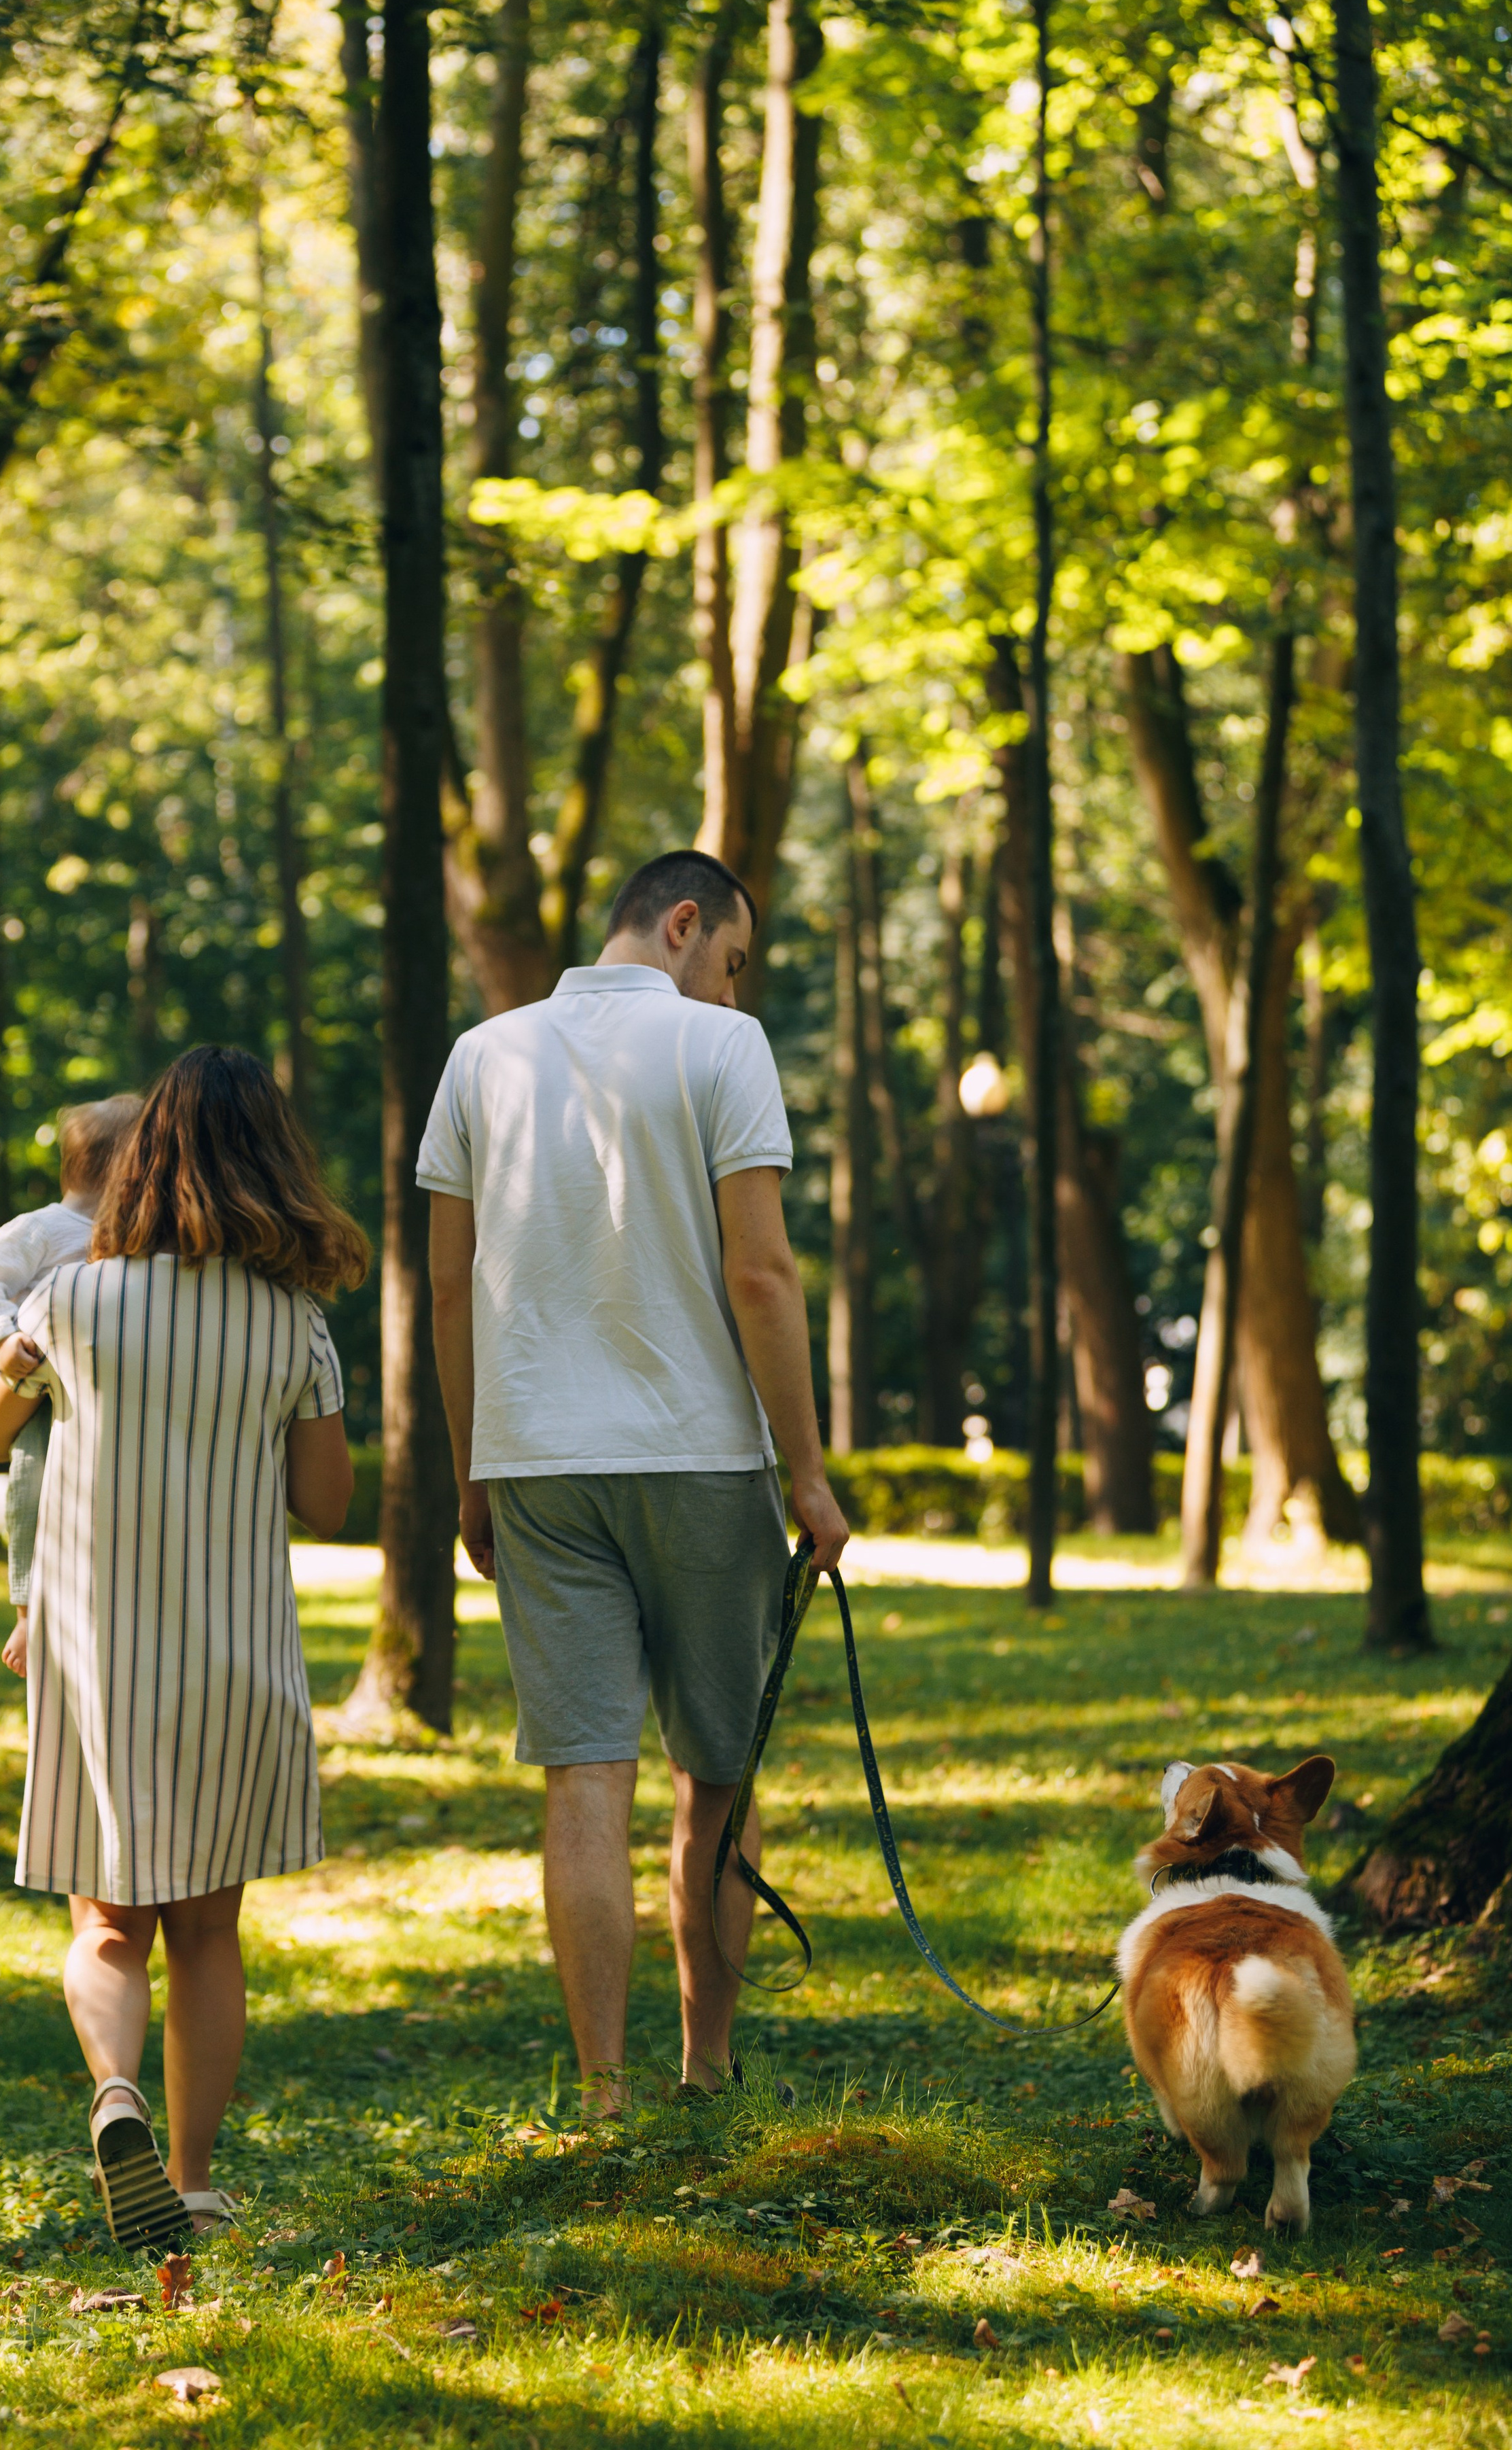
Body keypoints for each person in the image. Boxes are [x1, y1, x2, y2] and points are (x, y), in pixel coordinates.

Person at [418, 847, 849, 2112]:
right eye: (730, 961)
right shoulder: (725, 1051)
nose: (731, 988)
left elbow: (451, 1290)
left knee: (585, 1778)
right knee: (716, 1776)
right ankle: (705, 2068)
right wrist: (810, 1476)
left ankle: (604, 2092)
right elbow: (761, 1276)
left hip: (540, 1462)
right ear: (680, 925)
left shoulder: (478, 1058)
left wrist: (473, 1474)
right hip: (705, 1456)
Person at [0, 1046, 366, 2251]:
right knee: (207, 1932)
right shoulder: (295, 1322)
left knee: (107, 1926)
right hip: (238, 1658)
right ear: (275, 1167)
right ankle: (190, 2178)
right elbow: (329, 1504)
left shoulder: (70, 1300)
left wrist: (28, 1372)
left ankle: (115, 2095)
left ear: (143, 1160)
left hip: (99, 1655)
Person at [0, 1093, 142, 1675]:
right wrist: (1, 1340)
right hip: (36, 1390)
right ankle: (25, 1609)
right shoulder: (43, 1228)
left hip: (91, 1393)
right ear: (127, 1168)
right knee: (31, 1492)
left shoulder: (134, 1234)